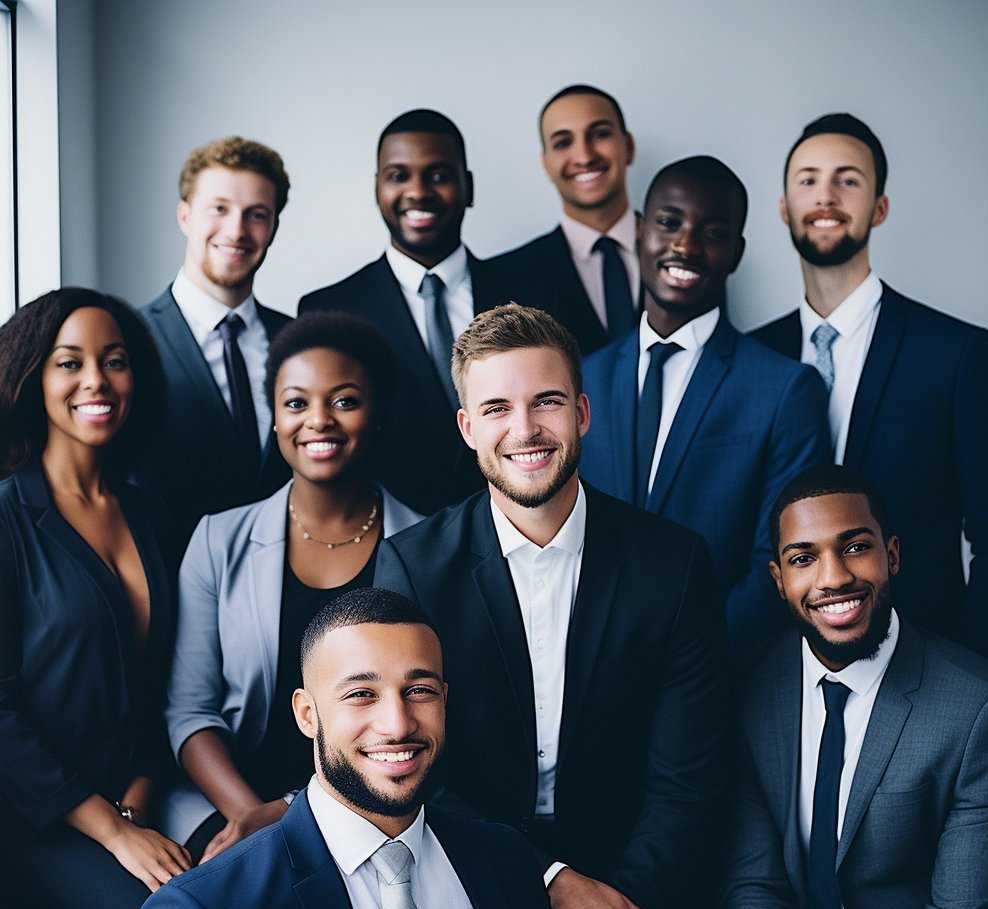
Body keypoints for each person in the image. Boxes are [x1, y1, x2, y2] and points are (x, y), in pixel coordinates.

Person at [374, 303, 728, 909]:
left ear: (584, 413)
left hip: (641, 885)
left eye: (547, 403)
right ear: (468, 428)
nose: (526, 429)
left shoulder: (675, 564)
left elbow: (688, 783)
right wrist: (551, 885)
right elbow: (410, 768)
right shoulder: (410, 569)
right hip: (466, 870)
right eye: (497, 407)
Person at [118, 588, 594, 909]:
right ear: (307, 714)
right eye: (361, 694)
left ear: (445, 700)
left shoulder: (506, 863)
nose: (396, 724)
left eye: (419, 690)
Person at [722, 463, 988, 909]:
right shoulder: (746, 692)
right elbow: (750, 883)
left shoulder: (985, 709)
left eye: (855, 548)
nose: (833, 578)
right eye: (804, 558)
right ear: (777, 579)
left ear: (893, 555)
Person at [751, 113, 988, 671]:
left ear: (879, 206)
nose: (825, 194)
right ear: (783, 206)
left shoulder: (955, 354)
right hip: (771, 670)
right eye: (807, 179)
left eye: (848, 179)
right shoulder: (750, 358)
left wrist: (978, 683)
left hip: (923, 657)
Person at [159, 313, 423, 859]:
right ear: (275, 419)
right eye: (297, 403)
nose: (318, 421)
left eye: (345, 401)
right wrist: (251, 815)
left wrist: (288, 812)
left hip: (376, 802)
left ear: (376, 416)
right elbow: (190, 712)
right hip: (227, 803)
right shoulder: (217, 541)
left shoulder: (427, 546)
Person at [0, 288, 191, 909]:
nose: (96, 381)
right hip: (31, 817)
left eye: (114, 362)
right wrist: (113, 832)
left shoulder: (148, 512)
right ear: (32, 377)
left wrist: (135, 803)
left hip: (124, 800)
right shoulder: (10, 517)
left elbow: (153, 687)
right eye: (69, 362)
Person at [581, 157, 831, 648]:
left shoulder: (784, 388)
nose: (686, 245)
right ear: (639, 231)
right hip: (588, 667)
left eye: (712, 232)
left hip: (719, 674)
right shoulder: (582, 376)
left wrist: (688, 661)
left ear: (736, 253)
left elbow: (779, 558)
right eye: (669, 223)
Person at [299, 109, 554, 516]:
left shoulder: (532, 297)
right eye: (399, 175)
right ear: (378, 187)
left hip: (519, 525)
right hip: (387, 537)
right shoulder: (328, 311)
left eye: (438, 175)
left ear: (468, 187)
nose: (418, 191)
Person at [136, 136, 293, 559]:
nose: (237, 230)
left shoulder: (297, 342)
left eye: (256, 214)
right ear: (185, 215)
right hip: (167, 582)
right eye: (219, 208)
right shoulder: (128, 340)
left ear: (274, 226)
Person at [491, 85, 640, 356]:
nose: (584, 156)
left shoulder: (685, 249)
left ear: (628, 147)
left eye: (600, 134)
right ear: (546, 163)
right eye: (563, 142)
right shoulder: (507, 276)